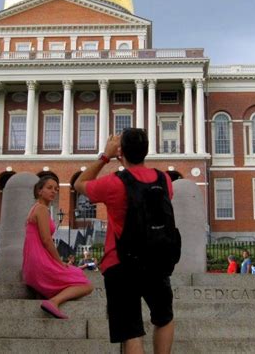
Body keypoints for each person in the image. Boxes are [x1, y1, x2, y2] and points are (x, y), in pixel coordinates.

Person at [74, 128, 175, 354]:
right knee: (164, 318)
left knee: (131, 332)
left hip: (121, 263)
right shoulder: (164, 179)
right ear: (146, 151)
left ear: (121, 152)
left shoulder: (114, 183)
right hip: (156, 261)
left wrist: (104, 156)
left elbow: (80, 184)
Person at [22, 172, 93, 319]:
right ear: (39, 191)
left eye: (56, 188)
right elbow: (47, 241)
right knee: (87, 285)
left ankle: (45, 293)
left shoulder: (35, 208)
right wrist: (59, 263)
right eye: (49, 187)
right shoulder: (41, 209)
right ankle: (54, 302)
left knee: (76, 272)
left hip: (32, 264)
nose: (54, 191)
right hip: (40, 263)